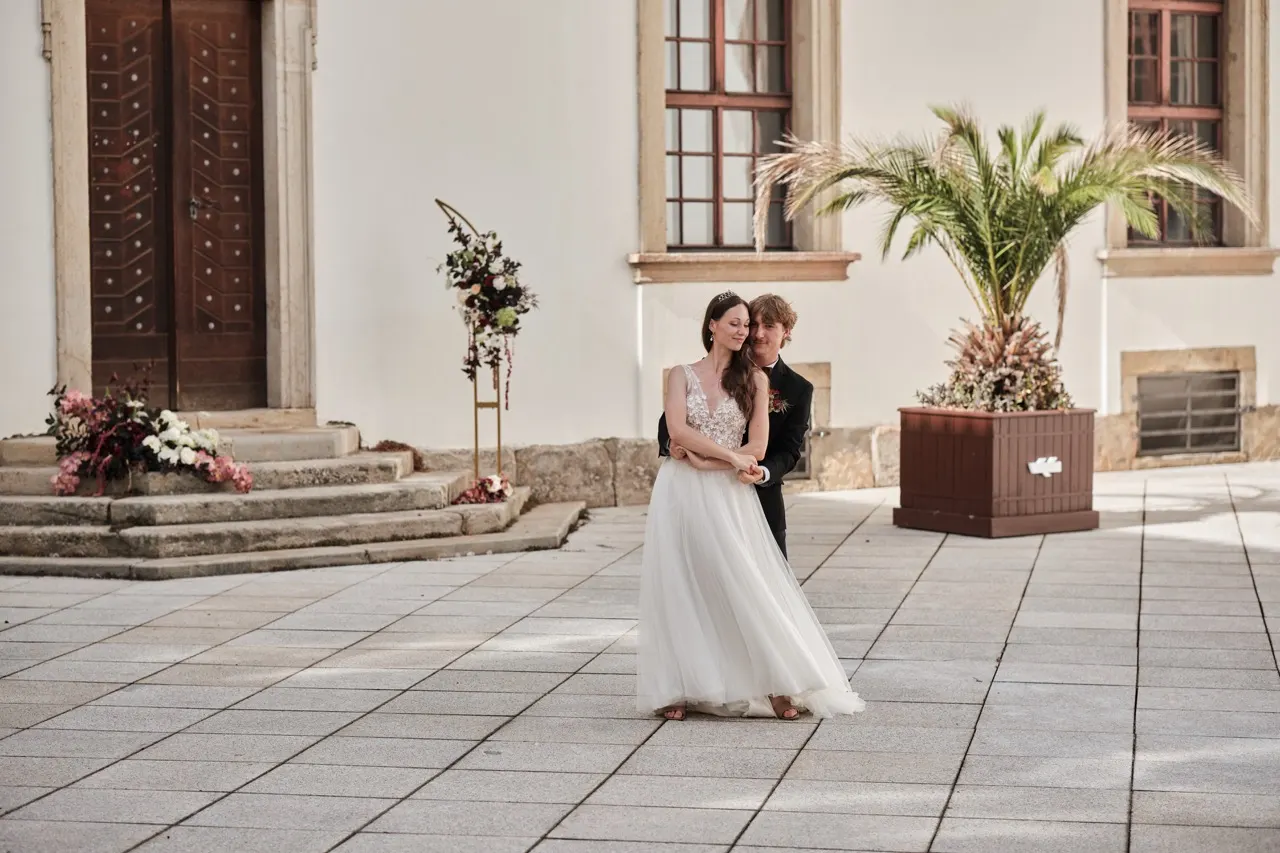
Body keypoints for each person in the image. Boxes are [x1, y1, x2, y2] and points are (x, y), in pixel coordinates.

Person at [637, 291, 865, 722]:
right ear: (712, 325)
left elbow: (775, 449)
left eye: (760, 327)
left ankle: (779, 682)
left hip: (743, 491)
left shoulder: (781, 385)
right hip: (682, 489)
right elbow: (673, 429)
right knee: (680, 581)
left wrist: (728, 463)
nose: (751, 333)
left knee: (754, 587)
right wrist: (699, 453)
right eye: (742, 324)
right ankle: (679, 685)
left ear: (784, 334)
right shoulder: (681, 374)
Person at [658, 293, 811, 557]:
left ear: (786, 332)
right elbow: (672, 422)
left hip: (758, 494)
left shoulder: (798, 388)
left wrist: (762, 472)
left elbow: (789, 450)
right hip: (696, 488)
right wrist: (671, 442)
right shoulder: (703, 372)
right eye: (753, 325)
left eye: (769, 326)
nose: (757, 334)